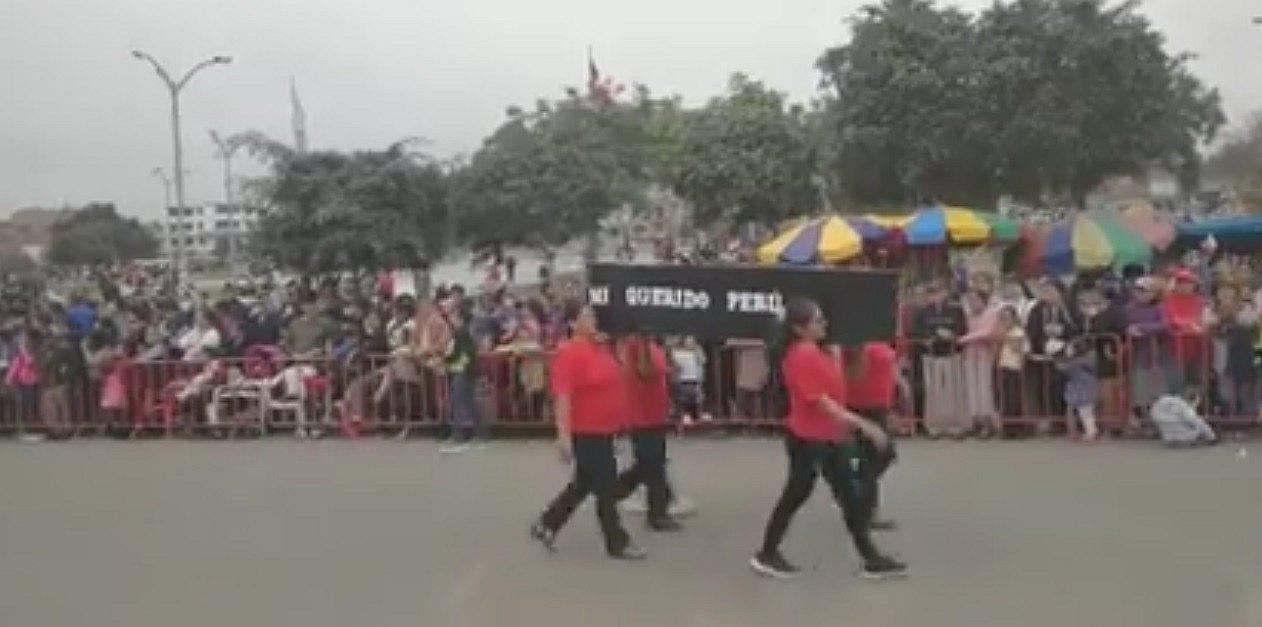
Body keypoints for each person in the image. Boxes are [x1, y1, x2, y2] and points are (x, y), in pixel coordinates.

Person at [750, 298, 906, 580]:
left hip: (830, 436)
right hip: (810, 439)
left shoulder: (821, 351)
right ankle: (767, 553)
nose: (825, 324)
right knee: (796, 495)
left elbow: (843, 384)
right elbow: (822, 402)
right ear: (800, 328)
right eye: (818, 321)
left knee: (850, 496)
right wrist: (864, 425)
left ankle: (871, 558)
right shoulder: (800, 356)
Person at [530, 300, 646, 560]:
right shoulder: (568, 353)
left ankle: (548, 523)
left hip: (606, 428)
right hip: (587, 430)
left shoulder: (601, 347)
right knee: (605, 486)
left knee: (583, 484)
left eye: (593, 315)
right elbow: (563, 396)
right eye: (586, 316)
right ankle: (616, 541)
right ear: (573, 323)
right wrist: (564, 436)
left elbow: (619, 376)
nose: (593, 320)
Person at [611, 331, 684, 532]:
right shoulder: (635, 344)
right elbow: (644, 372)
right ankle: (657, 513)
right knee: (653, 463)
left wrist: (669, 368)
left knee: (651, 461)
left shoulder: (653, 344)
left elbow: (660, 370)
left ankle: (617, 489)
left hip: (655, 412)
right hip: (641, 415)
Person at [845, 340, 899, 529]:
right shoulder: (853, 342)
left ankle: (857, 497)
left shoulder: (881, 339)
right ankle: (863, 509)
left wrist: (898, 389)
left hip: (879, 406)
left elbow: (890, 368)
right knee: (874, 458)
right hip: (861, 405)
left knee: (879, 458)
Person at [913, 280, 967, 437]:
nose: (935, 296)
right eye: (932, 293)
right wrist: (930, 336)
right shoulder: (923, 312)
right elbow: (916, 331)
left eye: (938, 292)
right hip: (931, 355)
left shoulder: (955, 310)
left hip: (951, 354)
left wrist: (952, 335)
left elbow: (962, 328)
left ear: (945, 293)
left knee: (953, 390)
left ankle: (955, 426)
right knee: (933, 391)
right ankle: (934, 426)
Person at [1025, 278, 1078, 432]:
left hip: (1064, 353)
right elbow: (1032, 329)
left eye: (1050, 290)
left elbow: (1076, 328)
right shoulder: (1037, 310)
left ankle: (1062, 420)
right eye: (1044, 290)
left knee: (1060, 387)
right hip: (1042, 354)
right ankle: (1047, 419)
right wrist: (1041, 344)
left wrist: (1062, 336)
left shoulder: (1067, 309)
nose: (1047, 294)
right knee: (1042, 386)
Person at [1058, 336, 1100, 441]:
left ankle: (1090, 432)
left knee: (1083, 412)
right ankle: (1090, 431)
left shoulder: (1074, 363)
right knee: (1087, 412)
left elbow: (1064, 369)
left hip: (1077, 390)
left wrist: (1060, 362)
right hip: (1087, 389)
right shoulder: (1089, 361)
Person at [1150, 388, 1217, 446]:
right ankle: (1210, 438)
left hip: (1167, 434)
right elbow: (1193, 420)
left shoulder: (1164, 399)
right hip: (1184, 437)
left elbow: (1153, 413)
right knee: (1199, 423)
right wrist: (1211, 436)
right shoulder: (1184, 406)